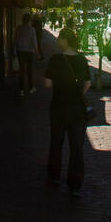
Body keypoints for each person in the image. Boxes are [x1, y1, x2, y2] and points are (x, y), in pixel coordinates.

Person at [44, 29, 89, 196]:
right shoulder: (82, 59)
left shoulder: (56, 59)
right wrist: (78, 94)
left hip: (58, 106)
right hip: (77, 109)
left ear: (65, 40)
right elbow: (88, 83)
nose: (57, 41)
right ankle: (75, 183)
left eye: (59, 38)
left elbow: (47, 84)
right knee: (76, 146)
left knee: (56, 142)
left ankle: (54, 175)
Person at [15, 14, 39, 96]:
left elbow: (16, 40)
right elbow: (34, 42)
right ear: (29, 21)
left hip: (20, 51)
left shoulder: (18, 28)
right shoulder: (32, 29)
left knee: (21, 70)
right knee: (29, 70)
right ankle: (31, 87)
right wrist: (37, 53)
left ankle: (21, 89)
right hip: (29, 52)